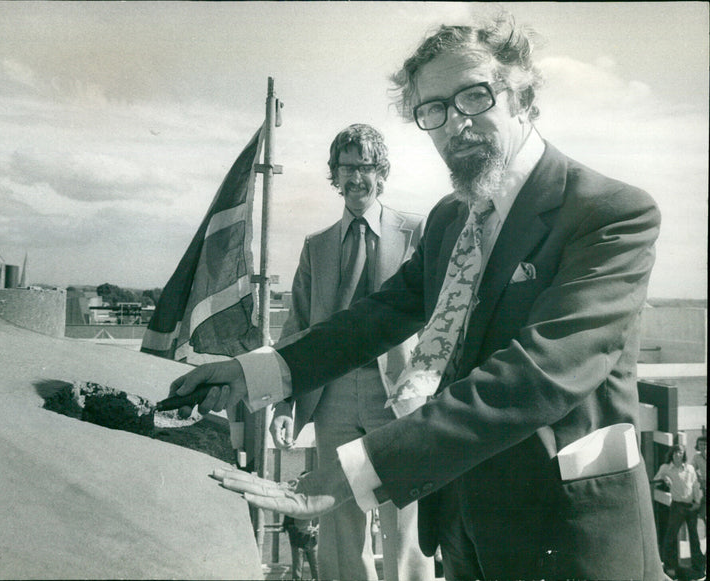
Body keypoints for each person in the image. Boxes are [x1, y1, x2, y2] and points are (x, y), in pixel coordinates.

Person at [169, 5, 664, 579]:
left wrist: (360, 467)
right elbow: (376, 318)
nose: (454, 125)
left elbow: (540, 373)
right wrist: (256, 372)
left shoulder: (609, 213)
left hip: (565, 538)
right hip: (461, 531)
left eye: (474, 97)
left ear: (523, 97)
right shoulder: (452, 219)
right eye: (433, 110)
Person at [270, 123, 434, 581]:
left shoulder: (416, 233)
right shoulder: (316, 246)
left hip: (397, 393)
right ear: (335, 175)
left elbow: (442, 319)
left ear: (381, 173)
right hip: (332, 395)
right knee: (338, 515)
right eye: (347, 167)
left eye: (365, 167)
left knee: (405, 514)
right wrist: (284, 402)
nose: (356, 177)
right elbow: (295, 330)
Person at [654, 444, 704, 578]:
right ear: (672, 454)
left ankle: (698, 568)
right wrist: (664, 479)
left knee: (694, 538)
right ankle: (670, 568)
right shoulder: (665, 468)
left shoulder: (690, 468)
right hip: (677, 507)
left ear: (684, 454)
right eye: (675, 452)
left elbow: (695, 485)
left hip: (691, 507)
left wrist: (698, 502)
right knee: (671, 537)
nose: (678, 455)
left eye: (680, 452)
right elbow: (655, 481)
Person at [283, 514, 319, 580]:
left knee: (317, 570)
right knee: (297, 573)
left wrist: (317, 529)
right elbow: (286, 526)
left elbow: (321, 523)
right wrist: (301, 529)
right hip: (297, 544)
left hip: (312, 543)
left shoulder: (315, 509)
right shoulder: (292, 509)